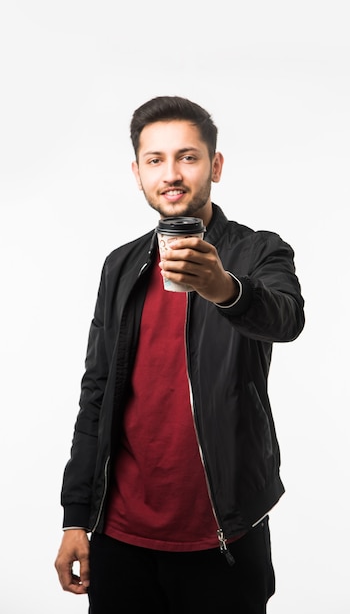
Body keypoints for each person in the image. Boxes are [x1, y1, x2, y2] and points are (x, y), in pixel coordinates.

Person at [54, 95, 305, 614]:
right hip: (119, 532)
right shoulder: (120, 266)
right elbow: (96, 391)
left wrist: (225, 288)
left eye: (188, 157)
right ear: (137, 172)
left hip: (224, 533)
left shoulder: (259, 250)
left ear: (215, 165)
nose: (171, 173)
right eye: (155, 160)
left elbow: (286, 318)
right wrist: (75, 515)